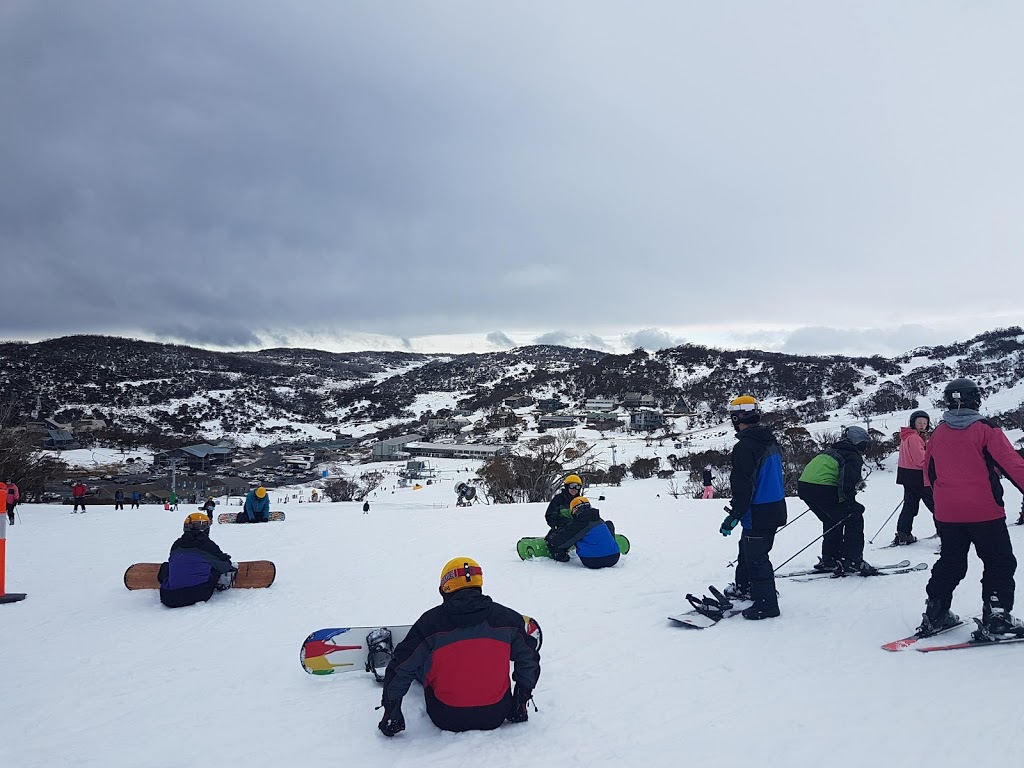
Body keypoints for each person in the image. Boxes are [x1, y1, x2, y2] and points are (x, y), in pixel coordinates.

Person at [377, 557, 541, 737]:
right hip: (495, 714)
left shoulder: (430, 623)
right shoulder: (508, 619)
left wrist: (391, 714)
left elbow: (401, 669)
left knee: (419, 661)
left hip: (446, 716)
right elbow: (529, 660)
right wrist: (520, 702)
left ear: (445, 588)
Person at [916, 379, 1024, 640]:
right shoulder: (986, 429)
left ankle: (935, 613)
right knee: (998, 560)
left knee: (951, 562)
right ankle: (997, 615)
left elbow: (928, 473)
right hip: (984, 511)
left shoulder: (938, 432)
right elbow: (1012, 464)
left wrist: (946, 499)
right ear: (976, 399)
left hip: (948, 513)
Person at [718, 395, 788, 620]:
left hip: (759, 510)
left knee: (757, 557)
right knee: (747, 549)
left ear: (738, 417)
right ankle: (745, 587)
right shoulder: (769, 440)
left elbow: (743, 485)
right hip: (775, 507)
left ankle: (766, 605)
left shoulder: (746, 446)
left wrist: (735, 514)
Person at [798, 425, 876, 576]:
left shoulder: (831, 450)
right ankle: (853, 561)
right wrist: (851, 504)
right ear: (858, 442)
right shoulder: (852, 455)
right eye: (864, 443)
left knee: (832, 520)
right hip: (823, 489)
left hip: (804, 487)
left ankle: (831, 559)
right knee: (854, 517)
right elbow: (847, 483)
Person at [157, 513, 237, 608]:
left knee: (166, 566)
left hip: (169, 597)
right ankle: (220, 583)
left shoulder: (177, 545)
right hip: (198, 594)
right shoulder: (206, 545)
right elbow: (224, 566)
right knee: (214, 569)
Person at [892, 410, 935, 545]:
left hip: (907, 476)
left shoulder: (906, 436)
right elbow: (920, 460)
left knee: (910, 506)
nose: (922, 425)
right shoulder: (915, 438)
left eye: (924, 423)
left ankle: (903, 533)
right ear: (913, 423)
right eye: (919, 423)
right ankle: (947, 533)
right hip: (919, 477)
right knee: (936, 505)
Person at [545, 497, 620, 568]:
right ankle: (608, 544)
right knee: (608, 524)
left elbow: (560, 543)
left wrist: (552, 537)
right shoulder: (598, 519)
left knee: (575, 535)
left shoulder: (579, 523)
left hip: (592, 561)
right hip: (614, 558)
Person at [543, 475, 584, 562]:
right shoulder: (558, 499)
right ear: (566, 486)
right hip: (563, 526)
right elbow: (550, 515)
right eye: (572, 486)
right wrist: (554, 526)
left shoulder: (581, 500)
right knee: (552, 538)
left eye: (577, 486)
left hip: (578, 527)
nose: (574, 489)